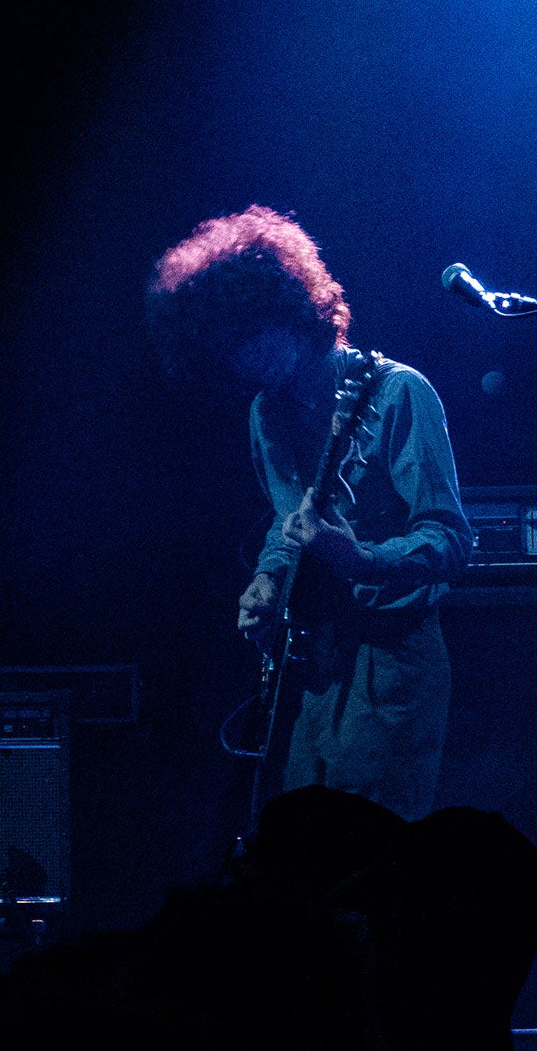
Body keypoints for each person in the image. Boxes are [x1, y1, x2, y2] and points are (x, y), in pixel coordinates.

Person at [147, 203, 472, 821]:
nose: (242, 355)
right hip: (319, 665)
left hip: (395, 663)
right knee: (304, 851)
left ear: (289, 305)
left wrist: (362, 557)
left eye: (250, 330)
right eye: (226, 345)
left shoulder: (401, 392)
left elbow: (452, 539)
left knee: (374, 858)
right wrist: (267, 581)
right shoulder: (266, 414)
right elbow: (287, 519)